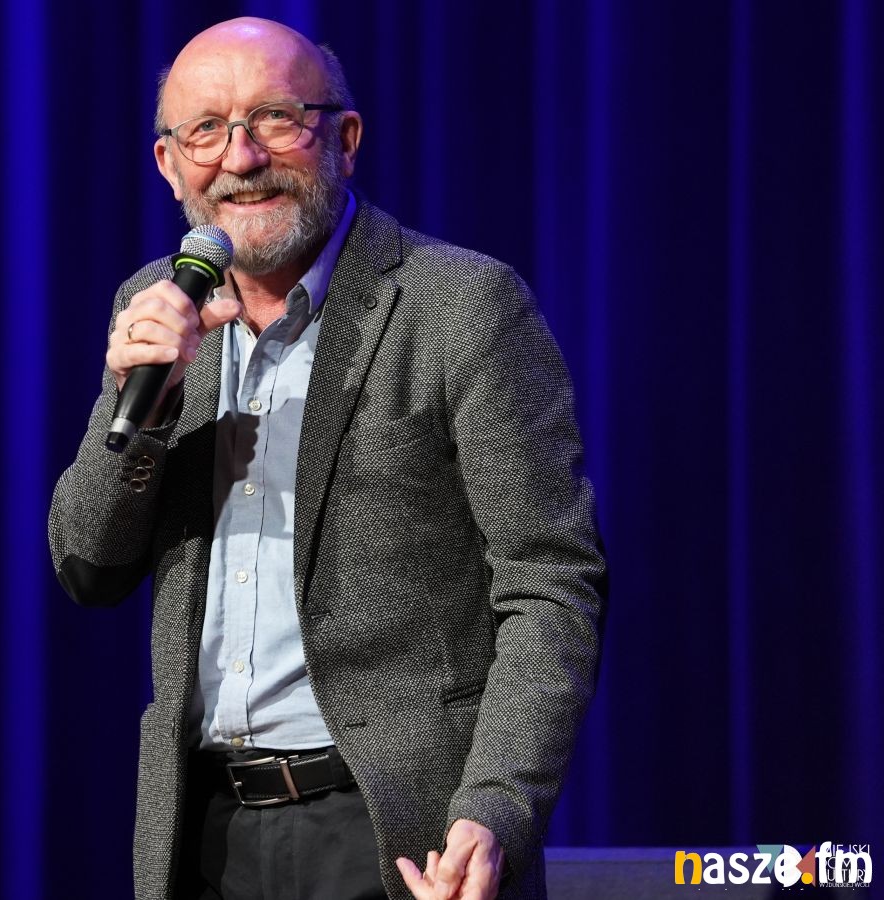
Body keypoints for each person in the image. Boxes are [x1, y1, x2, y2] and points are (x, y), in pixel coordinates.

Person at [48, 16, 606, 900]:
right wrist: (140, 405)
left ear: (344, 137)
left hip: (397, 833)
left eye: (275, 118)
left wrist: (496, 806)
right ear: (168, 164)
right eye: (206, 130)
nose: (240, 158)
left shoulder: (459, 305)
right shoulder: (159, 308)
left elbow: (549, 583)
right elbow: (87, 564)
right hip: (203, 833)